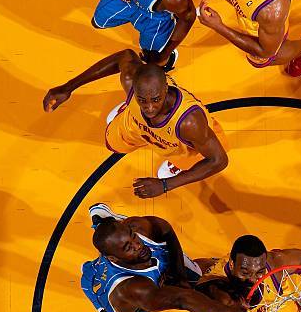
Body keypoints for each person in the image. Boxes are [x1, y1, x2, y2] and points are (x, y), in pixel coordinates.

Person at [43, 49, 228, 199]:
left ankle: (178, 164)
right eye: (142, 100)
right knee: (113, 143)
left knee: (196, 155)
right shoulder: (131, 80)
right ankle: (126, 109)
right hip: (136, 124)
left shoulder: (190, 123)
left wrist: (165, 185)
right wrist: (68, 87)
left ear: (166, 89)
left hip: (179, 142)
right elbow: (122, 57)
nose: (149, 107)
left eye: (156, 99)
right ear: (134, 90)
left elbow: (219, 160)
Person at [80, 203, 257, 312]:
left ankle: (103, 221)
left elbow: (165, 230)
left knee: (187, 273)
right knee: (193, 281)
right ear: (113, 257)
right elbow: (180, 298)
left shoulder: (138, 227)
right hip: (124, 300)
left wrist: (178, 274)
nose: (137, 245)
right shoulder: (131, 288)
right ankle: (101, 228)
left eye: (133, 237)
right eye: (128, 247)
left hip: (138, 266)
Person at [198, 0, 301, 76]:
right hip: (241, 2)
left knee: (263, 58)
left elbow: (264, 51)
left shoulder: (272, 11)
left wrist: (219, 26)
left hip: (261, 20)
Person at [92, 0, 196, 67]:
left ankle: (172, 17)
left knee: (155, 61)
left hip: (155, 17)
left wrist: (165, 53)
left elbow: (188, 16)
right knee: (98, 22)